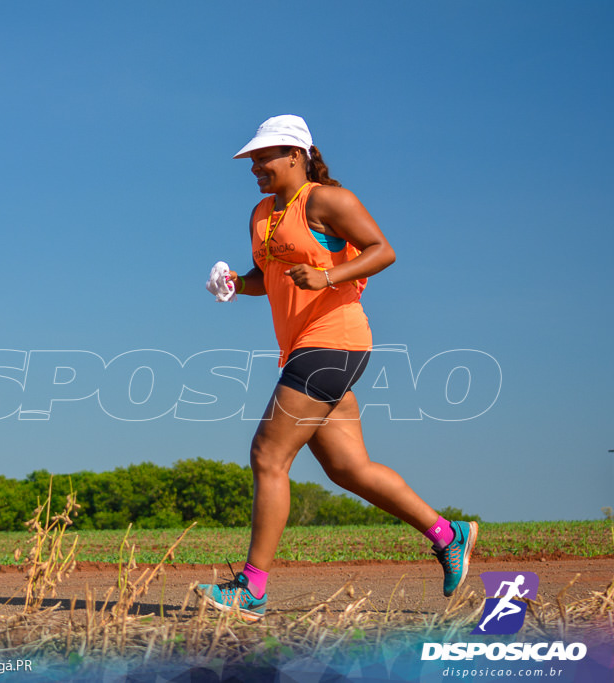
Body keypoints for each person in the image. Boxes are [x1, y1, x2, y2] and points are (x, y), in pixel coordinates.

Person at [196, 115, 477, 622]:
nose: (255, 166)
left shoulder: (326, 201)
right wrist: (237, 283)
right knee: (348, 468)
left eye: (265, 156)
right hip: (303, 348)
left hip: (334, 342)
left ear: (297, 155)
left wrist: (329, 276)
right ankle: (447, 534)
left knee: (268, 455)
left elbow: (382, 251)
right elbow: (271, 276)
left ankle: (251, 589)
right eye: (253, 159)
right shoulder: (262, 214)